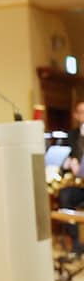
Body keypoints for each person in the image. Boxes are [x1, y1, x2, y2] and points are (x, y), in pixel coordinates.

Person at [58, 100, 84, 254]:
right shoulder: (70, 136)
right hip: (78, 185)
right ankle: (76, 243)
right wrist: (67, 163)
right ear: (75, 115)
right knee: (64, 196)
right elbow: (61, 158)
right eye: (81, 112)